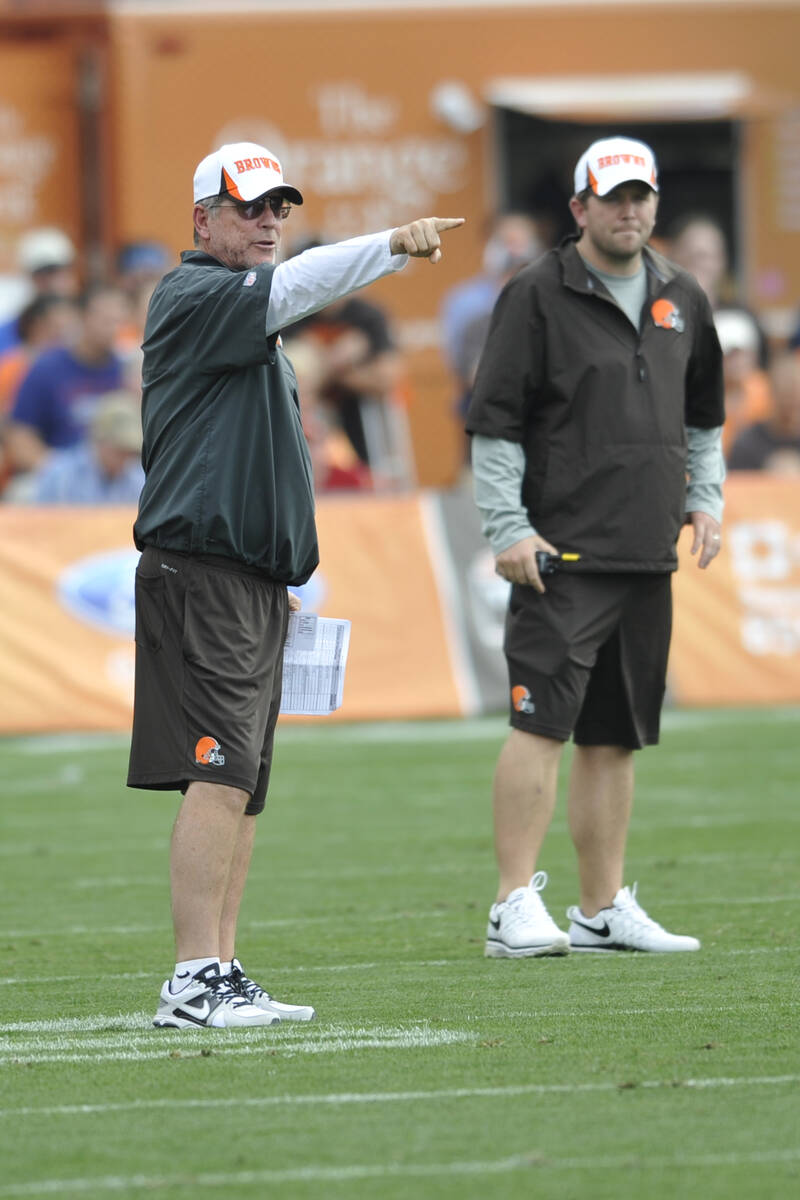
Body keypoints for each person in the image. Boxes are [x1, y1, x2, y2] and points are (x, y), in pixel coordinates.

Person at [126, 140, 463, 1029]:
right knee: (220, 770)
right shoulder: (193, 294)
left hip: (248, 577)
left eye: (278, 207)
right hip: (203, 570)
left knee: (246, 779)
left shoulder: (249, 323)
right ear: (203, 219)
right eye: (249, 208)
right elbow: (294, 288)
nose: (268, 221)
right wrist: (392, 242)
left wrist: (281, 573)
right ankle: (194, 975)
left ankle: (223, 967)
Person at [466, 135, 725, 958]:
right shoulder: (536, 293)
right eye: (612, 196)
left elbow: (703, 418)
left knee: (615, 737)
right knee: (540, 723)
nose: (630, 209)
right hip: (560, 554)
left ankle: (601, 906)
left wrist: (705, 500)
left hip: (646, 553)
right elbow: (496, 423)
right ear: (578, 207)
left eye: (641, 195)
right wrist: (507, 529)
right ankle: (512, 903)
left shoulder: (683, 293)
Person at [4, 284, 128, 476]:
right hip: (56, 471)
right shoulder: (47, 368)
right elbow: (20, 436)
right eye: (105, 320)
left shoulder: (127, 372)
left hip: (116, 476)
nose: (113, 329)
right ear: (83, 317)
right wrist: (56, 470)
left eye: (118, 321)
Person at [23, 390, 145, 504]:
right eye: (119, 450)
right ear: (99, 441)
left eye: (130, 452)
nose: (125, 459)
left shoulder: (138, 479)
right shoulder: (59, 476)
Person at [728, 351, 800, 474]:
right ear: (771, 391)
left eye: (793, 391)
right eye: (784, 390)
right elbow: (736, 484)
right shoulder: (748, 442)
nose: (788, 400)